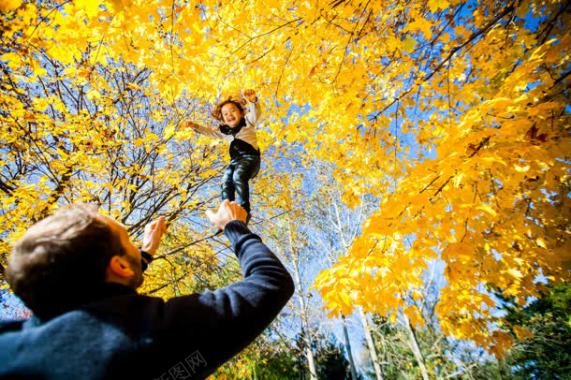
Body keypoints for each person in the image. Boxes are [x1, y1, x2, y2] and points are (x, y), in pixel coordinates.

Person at [0, 201, 294, 380]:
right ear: (119, 267)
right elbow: (270, 282)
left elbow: (98, 293)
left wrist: (142, 255)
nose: (134, 240)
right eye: (127, 237)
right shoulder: (146, 335)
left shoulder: (10, 342)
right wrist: (235, 226)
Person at [185, 90, 261, 224]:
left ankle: (244, 210)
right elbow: (210, 133)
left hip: (250, 158)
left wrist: (253, 100)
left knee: (238, 176)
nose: (229, 115)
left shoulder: (248, 122)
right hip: (235, 162)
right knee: (226, 180)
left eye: (233, 111)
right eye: (225, 114)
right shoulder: (225, 133)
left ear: (241, 112)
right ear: (222, 118)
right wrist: (195, 126)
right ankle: (227, 210)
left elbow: (255, 113)